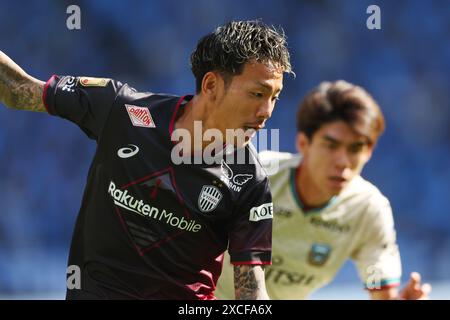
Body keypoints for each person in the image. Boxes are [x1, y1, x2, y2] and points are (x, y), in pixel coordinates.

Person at [0, 20, 293, 299]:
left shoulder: (249, 180)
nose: (267, 111)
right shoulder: (121, 109)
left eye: (275, 97)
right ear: (212, 86)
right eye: (258, 93)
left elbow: (251, 292)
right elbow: (17, 90)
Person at [216, 80, 432, 300]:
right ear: (303, 144)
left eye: (356, 148)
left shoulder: (368, 210)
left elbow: (376, 282)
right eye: (331, 145)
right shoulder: (254, 176)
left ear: (369, 152)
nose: (343, 162)